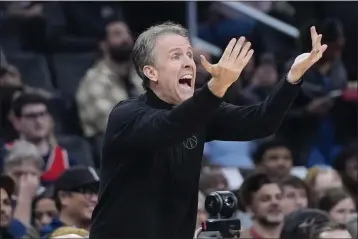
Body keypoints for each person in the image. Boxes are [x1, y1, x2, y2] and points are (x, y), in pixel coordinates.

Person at [89, 22, 327, 239]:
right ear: (151, 72)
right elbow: (170, 126)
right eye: (175, 56)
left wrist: (293, 77)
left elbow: (260, 121)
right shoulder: (126, 115)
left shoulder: (201, 111)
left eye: (189, 55)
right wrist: (217, 86)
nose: (187, 62)